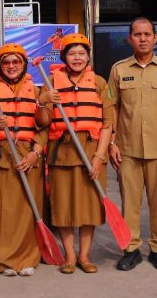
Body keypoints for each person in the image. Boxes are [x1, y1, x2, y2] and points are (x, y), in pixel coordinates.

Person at [106, 17, 157, 271]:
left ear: (155, 38)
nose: (143, 39)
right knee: (130, 202)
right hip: (128, 148)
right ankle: (131, 249)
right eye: (137, 34)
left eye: (147, 34)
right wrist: (113, 141)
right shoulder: (119, 69)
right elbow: (113, 107)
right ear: (130, 39)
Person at [37, 33, 114, 274]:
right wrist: (42, 101)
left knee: (90, 206)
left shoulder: (99, 83)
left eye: (82, 53)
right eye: (72, 53)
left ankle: (85, 255)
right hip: (62, 152)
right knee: (64, 206)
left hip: (91, 150)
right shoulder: (51, 82)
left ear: (88, 57)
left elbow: (108, 124)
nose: (77, 58)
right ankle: (70, 256)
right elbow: (42, 122)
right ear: (64, 57)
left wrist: (99, 157)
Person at [0, 43, 46, 276]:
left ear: (24, 65)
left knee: (27, 208)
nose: (11, 66)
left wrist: (35, 154)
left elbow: (45, 126)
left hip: (28, 155)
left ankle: (26, 258)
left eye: (16, 62)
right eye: (6, 62)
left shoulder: (36, 92)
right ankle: (0, 259)